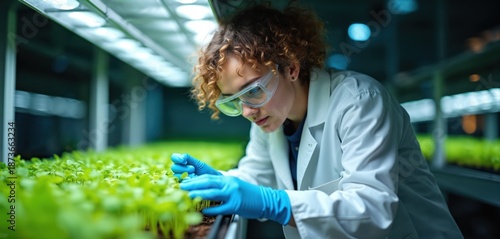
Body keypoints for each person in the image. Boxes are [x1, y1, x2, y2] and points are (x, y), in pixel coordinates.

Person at [170, 2, 463, 238]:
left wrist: (277, 204)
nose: (247, 110)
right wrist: (220, 182)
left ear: (291, 68)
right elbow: (257, 177)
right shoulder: (270, 117)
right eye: (234, 101)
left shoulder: (360, 102)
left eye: (253, 91)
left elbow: (373, 210)